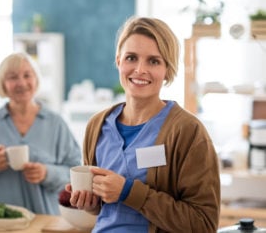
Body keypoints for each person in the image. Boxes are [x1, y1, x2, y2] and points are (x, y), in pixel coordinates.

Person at [66, 16, 221, 232]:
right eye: (131, 58)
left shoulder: (188, 132)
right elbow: (105, 211)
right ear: (118, 60)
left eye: (153, 61)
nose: (140, 70)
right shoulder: (97, 126)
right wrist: (90, 203)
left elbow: (203, 224)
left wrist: (129, 192)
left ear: (167, 69)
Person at [0, 52, 81, 215]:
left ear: (36, 79)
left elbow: (75, 173)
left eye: (27, 75)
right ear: (3, 84)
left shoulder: (56, 123)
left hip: (43, 219)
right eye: (12, 77)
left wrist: (47, 173)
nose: (21, 83)